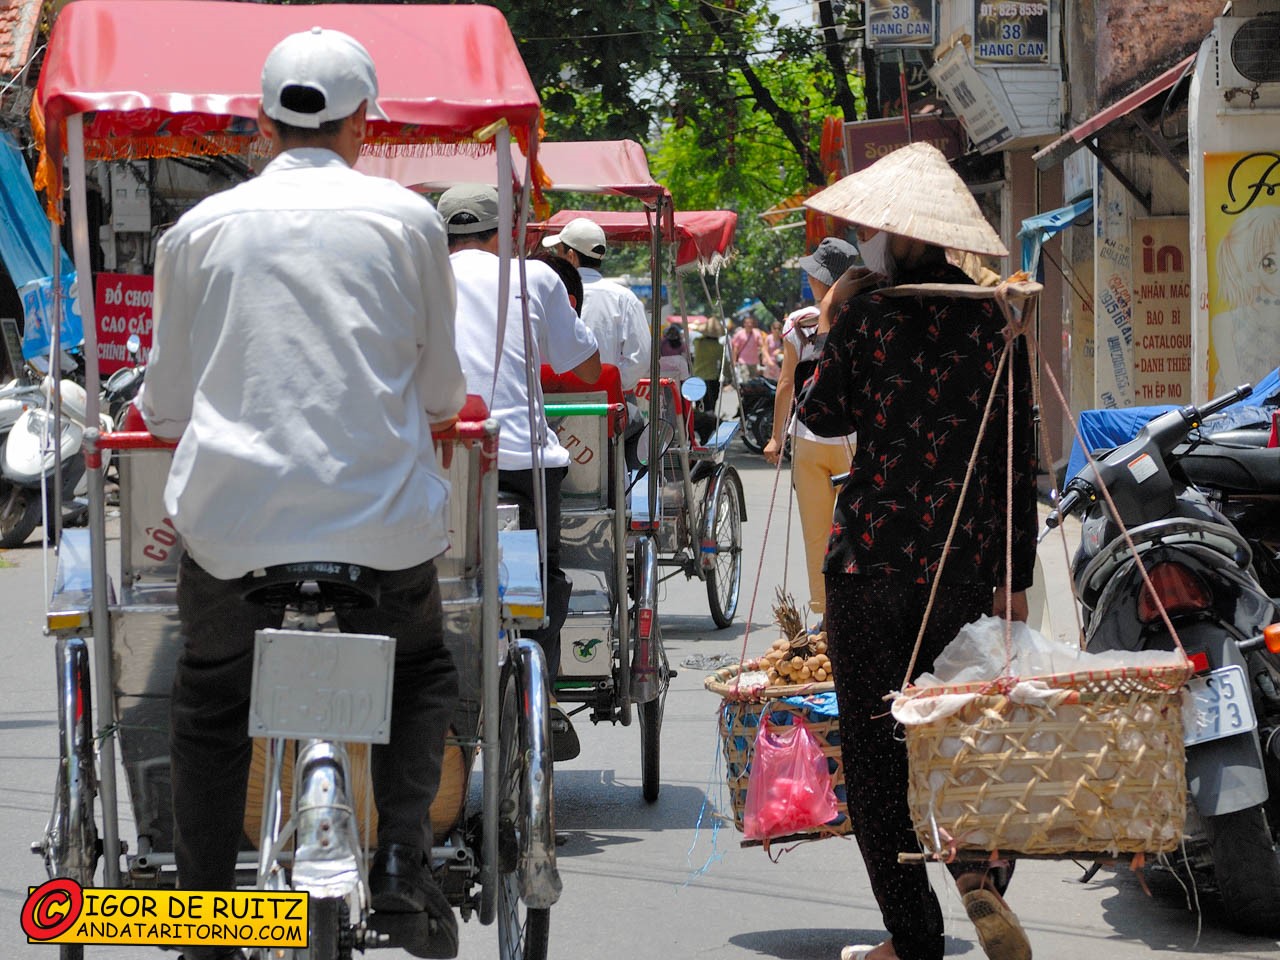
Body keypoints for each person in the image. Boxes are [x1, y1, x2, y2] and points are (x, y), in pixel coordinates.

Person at [141, 28, 465, 960]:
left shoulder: (196, 232)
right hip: (383, 534)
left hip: (233, 534)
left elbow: (165, 404)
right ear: (367, 121)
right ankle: (403, 865)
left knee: (209, 698)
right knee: (421, 673)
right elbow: (443, 392)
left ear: (260, 121)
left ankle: (204, 917)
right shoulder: (410, 221)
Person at [795, 142, 1038, 960]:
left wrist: (831, 325)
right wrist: (1017, 578)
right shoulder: (997, 317)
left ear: (891, 234)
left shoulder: (862, 315)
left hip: (869, 565)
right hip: (965, 568)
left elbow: (822, 422)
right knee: (963, 735)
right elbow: (1018, 457)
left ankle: (912, 935)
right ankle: (979, 878)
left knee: (873, 752)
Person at [439, 184, 601, 761]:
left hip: (446, 464)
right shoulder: (533, 277)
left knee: (435, 586)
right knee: (535, 590)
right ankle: (540, 700)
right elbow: (586, 368)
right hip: (524, 467)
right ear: (504, 230)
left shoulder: (419, 279)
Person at [763, 237, 860, 625]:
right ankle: (856, 606)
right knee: (856, 528)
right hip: (856, 440)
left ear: (822, 279)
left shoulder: (799, 324)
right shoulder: (863, 315)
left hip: (808, 438)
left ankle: (826, 615)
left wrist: (775, 438)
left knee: (817, 532)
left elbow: (786, 384)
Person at [543, 216, 650, 393]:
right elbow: (641, 358)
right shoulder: (624, 298)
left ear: (570, 257)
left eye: (559, 253)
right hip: (607, 407)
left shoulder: (549, 294)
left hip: (555, 404)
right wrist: (609, 384)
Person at [1211, 205, 1280, 394]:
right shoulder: (1226, 323)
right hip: (1239, 420)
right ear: (1249, 272)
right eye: (1270, 262)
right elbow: (1236, 393)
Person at [689, 314, 727, 412]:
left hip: (697, 378)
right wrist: (728, 376)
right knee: (710, 405)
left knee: (698, 405)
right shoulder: (719, 347)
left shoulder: (697, 342)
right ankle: (709, 424)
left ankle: (700, 423)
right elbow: (725, 364)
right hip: (711, 379)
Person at [731, 313, 766, 379]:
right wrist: (734, 361)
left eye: (751, 323)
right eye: (747, 323)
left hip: (754, 361)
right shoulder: (739, 334)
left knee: (753, 381)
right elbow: (735, 348)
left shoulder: (757, 333)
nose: (749, 325)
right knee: (745, 380)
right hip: (743, 361)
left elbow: (762, 346)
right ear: (744, 324)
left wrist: (764, 358)